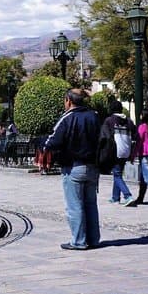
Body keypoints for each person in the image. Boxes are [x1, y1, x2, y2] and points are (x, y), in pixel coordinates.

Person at [44, 89, 101, 250]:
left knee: (74, 205)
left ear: (69, 100)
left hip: (74, 166)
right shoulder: (94, 116)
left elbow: (52, 141)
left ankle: (79, 241)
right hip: (92, 167)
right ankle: (94, 239)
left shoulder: (67, 118)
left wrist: (42, 143)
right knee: (91, 204)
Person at [101, 100, 137, 205]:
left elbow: (105, 137)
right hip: (126, 150)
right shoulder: (129, 121)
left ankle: (128, 195)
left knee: (117, 175)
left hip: (115, 151)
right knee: (118, 173)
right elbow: (135, 136)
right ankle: (115, 197)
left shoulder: (109, 120)